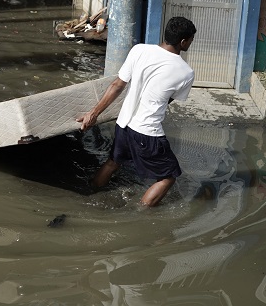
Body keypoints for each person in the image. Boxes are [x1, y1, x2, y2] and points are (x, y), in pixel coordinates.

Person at [76, 16, 197, 207]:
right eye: (190, 40)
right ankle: (141, 212)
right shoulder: (186, 72)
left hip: (124, 123)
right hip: (147, 132)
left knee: (113, 162)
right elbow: (168, 100)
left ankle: (90, 190)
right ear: (183, 41)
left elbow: (117, 85)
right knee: (169, 176)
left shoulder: (139, 49)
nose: (190, 43)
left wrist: (94, 113)